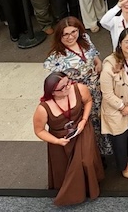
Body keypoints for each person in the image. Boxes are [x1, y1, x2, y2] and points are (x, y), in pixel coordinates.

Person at [32, 72, 104, 206]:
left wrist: (84, 120)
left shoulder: (79, 89)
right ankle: (73, 189)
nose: (68, 87)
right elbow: (39, 130)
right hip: (59, 138)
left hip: (81, 129)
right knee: (63, 167)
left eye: (68, 82)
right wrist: (57, 141)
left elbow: (88, 101)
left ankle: (87, 187)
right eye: (63, 87)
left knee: (86, 161)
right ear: (53, 92)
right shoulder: (43, 108)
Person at [43, 17, 111, 159]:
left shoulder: (85, 39)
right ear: (59, 36)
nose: (70, 37)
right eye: (65, 34)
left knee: (102, 120)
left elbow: (94, 53)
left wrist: (98, 62)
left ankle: (104, 150)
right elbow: (57, 83)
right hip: (79, 96)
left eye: (73, 31)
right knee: (87, 125)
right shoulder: (56, 57)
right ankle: (93, 156)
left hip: (97, 90)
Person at [99, 28, 128, 178]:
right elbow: (107, 93)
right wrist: (122, 107)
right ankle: (123, 165)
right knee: (119, 140)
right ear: (120, 43)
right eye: (127, 41)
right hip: (116, 109)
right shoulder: (109, 65)